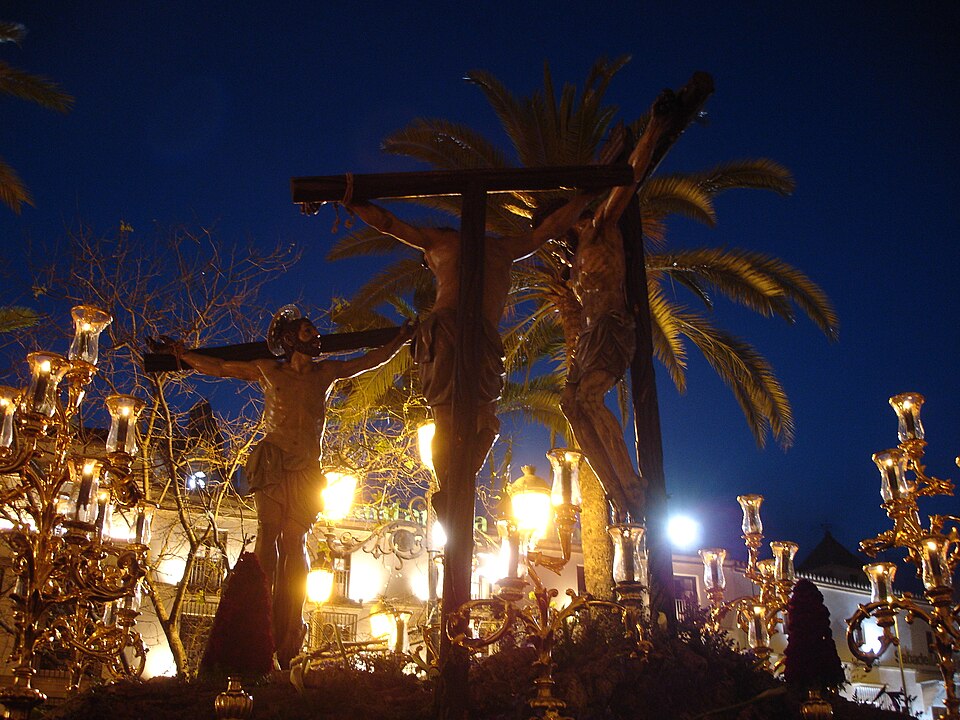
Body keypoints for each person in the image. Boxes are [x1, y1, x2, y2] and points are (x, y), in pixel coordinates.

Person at [156, 308, 413, 668]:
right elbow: (219, 367)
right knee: (268, 533)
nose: (316, 335)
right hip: (273, 460)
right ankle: (256, 617)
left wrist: (400, 339)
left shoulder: (326, 373)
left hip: (308, 465)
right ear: (292, 339)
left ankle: (290, 622)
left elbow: (369, 361)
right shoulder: (268, 369)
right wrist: (182, 355)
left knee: (295, 540)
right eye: (308, 331)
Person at [344, 194, 593, 500]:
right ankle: (454, 490)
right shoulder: (504, 249)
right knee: (484, 420)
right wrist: (585, 197)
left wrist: (352, 199)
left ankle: (451, 489)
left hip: (450, 330)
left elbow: (387, 223)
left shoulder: (436, 244)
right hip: (477, 334)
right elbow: (551, 228)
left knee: (447, 423)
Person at [561, 89, 692, 523]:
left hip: (614, 325)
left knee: (594, 397)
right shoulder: (575, 261)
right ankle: (615, 487)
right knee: (572, 404)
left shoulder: (601, 227)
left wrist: (654, 126)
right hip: (589, 335)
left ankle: (631, 483)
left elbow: (630, 176)